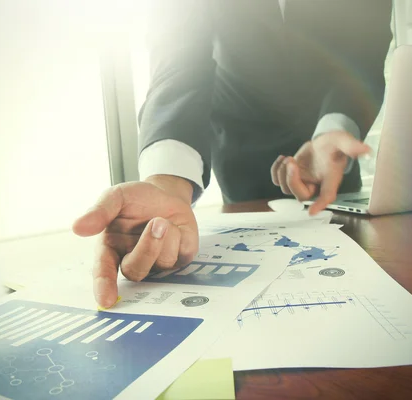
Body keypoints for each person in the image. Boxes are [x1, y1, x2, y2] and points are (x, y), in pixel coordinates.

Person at [73, 0, 393, 307]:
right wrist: (166, 182)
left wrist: (335, 127)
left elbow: (364, 51)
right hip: (243, 150)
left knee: (346, 270)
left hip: (332, 155)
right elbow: (178, 59)